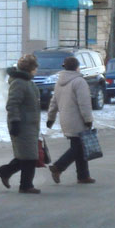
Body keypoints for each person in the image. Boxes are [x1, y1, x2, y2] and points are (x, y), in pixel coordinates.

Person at [46, 56, 96, 185]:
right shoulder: (79, 82)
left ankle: (83, 176)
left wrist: (51, 118)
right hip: (78, 120)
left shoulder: (59, 82)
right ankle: (58, 167)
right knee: (78, 147)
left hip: (66, 120)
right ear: (77, 67)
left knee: (79, 146)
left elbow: (53, 102)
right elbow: (84, 103)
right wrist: (88, 119)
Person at [0, 53, 42, 194]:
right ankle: (26, 185)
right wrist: (15, 121)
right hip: (22, 124)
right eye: (35, 67)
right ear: (30, 68)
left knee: (26, 155)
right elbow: (12, 104)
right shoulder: (19, 83)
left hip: (30, 124)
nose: (36, 70)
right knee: (30, 156)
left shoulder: (28, 82)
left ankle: (5, 172)